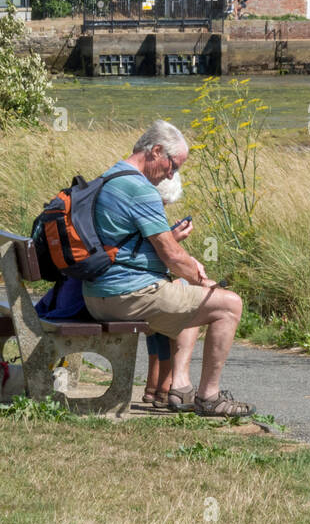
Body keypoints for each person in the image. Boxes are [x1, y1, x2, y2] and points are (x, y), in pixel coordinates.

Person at [81, 120, 253, 417]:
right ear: (156, 151)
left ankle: (180, 385)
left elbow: (132, 245)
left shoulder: (110, 177)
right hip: (127, 297)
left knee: (186, 293)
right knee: (228, 305)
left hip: (97, 294)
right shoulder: (140, 189)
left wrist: (190, 278)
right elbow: (171, 255)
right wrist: (201, 277)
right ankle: (210, 397)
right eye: (173, 166)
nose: (171, 174)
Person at [140, 171, 185, 410]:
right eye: (164, 203)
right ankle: (167, 385)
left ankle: (152, 385)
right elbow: (158, 257)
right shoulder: (146, 207)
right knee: (183, 292)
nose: (163, 208)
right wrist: (174, 240)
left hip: (108, 288)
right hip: (127, 294)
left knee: (166, 294)